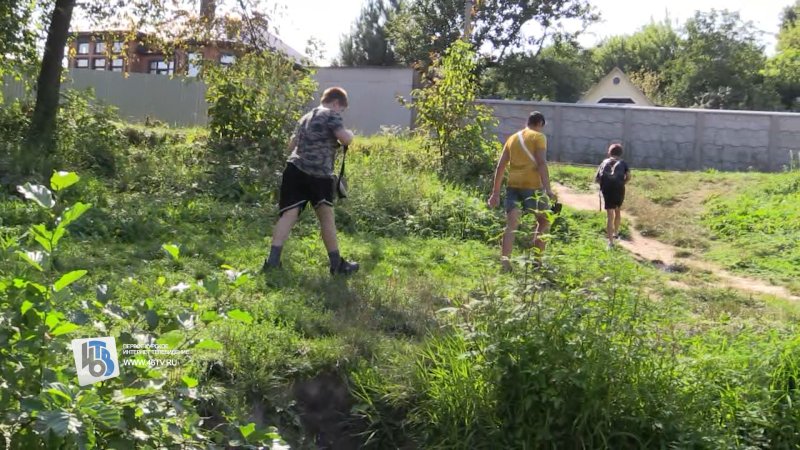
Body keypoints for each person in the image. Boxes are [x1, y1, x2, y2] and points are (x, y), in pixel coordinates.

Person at [262, 87, 359, 275]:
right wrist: (351, 135)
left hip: (294, 169)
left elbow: (291, 145)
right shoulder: (332, 114)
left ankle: (272, 262)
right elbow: (345, 139)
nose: (341, 113)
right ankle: (337, 265)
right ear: (336, 103)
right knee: (327, 218)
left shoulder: (305, 117)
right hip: (319, 175)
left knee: (288, 216)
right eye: (342, 109)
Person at [487, 111, 556, 272]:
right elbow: (541, 163)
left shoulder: (512, 138)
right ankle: (537, 262)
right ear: (540, 123)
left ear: (528, 121)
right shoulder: (538, 137)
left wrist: (495, 193)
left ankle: (505, 263)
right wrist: (548, 189)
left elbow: (501, 166)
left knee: (511, 225)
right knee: (545, 221)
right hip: (532, 187)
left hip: (513, 186)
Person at [594, 143, 631, 249]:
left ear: (609, 152)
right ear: (621, 153)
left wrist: (604, 185)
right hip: (619, 190)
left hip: (607, 190)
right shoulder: (623, 163)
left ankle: (610, 242)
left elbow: (597, 179)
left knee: (610, 215)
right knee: (618, 210)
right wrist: (623, 183)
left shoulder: (603, 162)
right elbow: (628, 176)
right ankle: (616, 232)